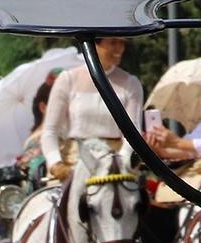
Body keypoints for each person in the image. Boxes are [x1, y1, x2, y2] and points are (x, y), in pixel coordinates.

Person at [39, 38, 145, 183]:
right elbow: (50, 131)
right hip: (72, 164)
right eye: (113, 43)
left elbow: (134, 132)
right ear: (94, 45)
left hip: (115, 165)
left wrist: (123, 160)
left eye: (122, 43)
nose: (119, 49)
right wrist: (55, 163)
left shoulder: (131, 83)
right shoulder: (68, 79)